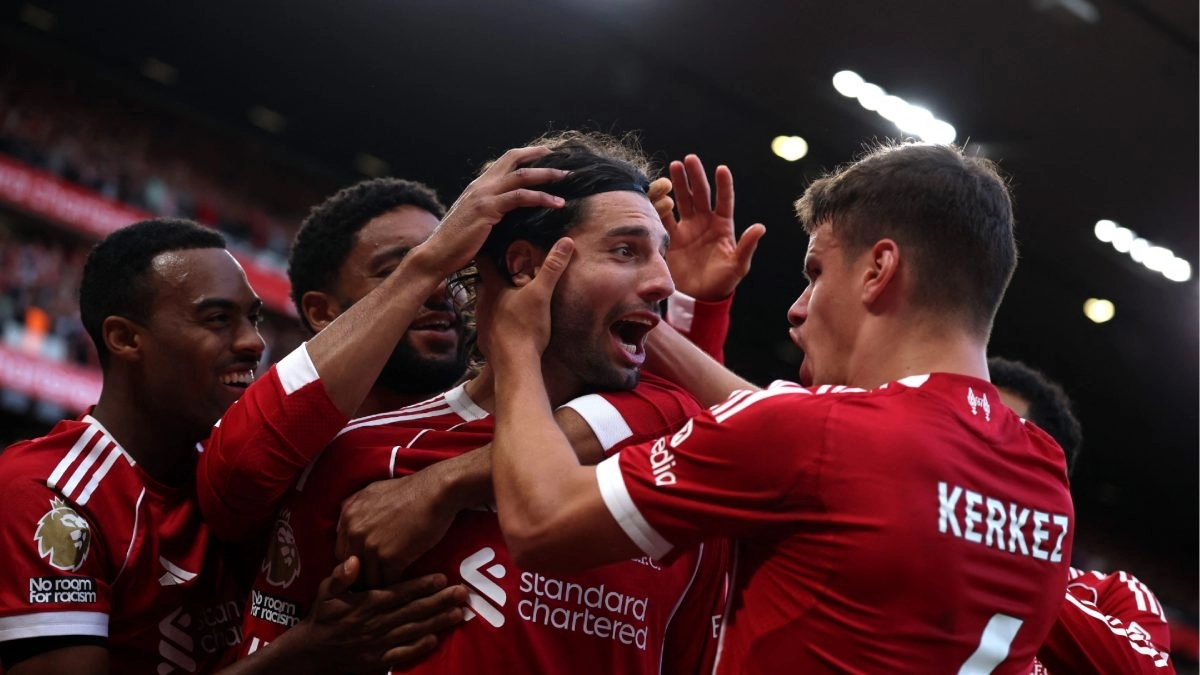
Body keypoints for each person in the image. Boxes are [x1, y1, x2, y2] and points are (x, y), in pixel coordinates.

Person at [486, 141, 1076, 673]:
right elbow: (798, 438)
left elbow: (543, 521)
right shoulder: (1043, 474)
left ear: (878, 270)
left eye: (816, 272)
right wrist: (644, 319)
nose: (798, 309)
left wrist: (515, 340)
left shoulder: (816, 436)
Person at [211, 133, 742, 674]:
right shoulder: (361, 458)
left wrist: (444, 483)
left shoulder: (677, 464)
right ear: (525, 265)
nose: (663, 282)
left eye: (660, 255)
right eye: (626, 250)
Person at [0, 219, 468, 674]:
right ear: (125, 338)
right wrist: (305, 653)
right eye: (218, 319)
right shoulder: (45, 495)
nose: (254, 342)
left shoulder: (244, 477)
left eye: (253, 318)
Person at [988, 357, 1174, 673]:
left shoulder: (1113, 595)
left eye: (991, 435)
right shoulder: (899, 542)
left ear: (1042, 478)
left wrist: (994, 566)